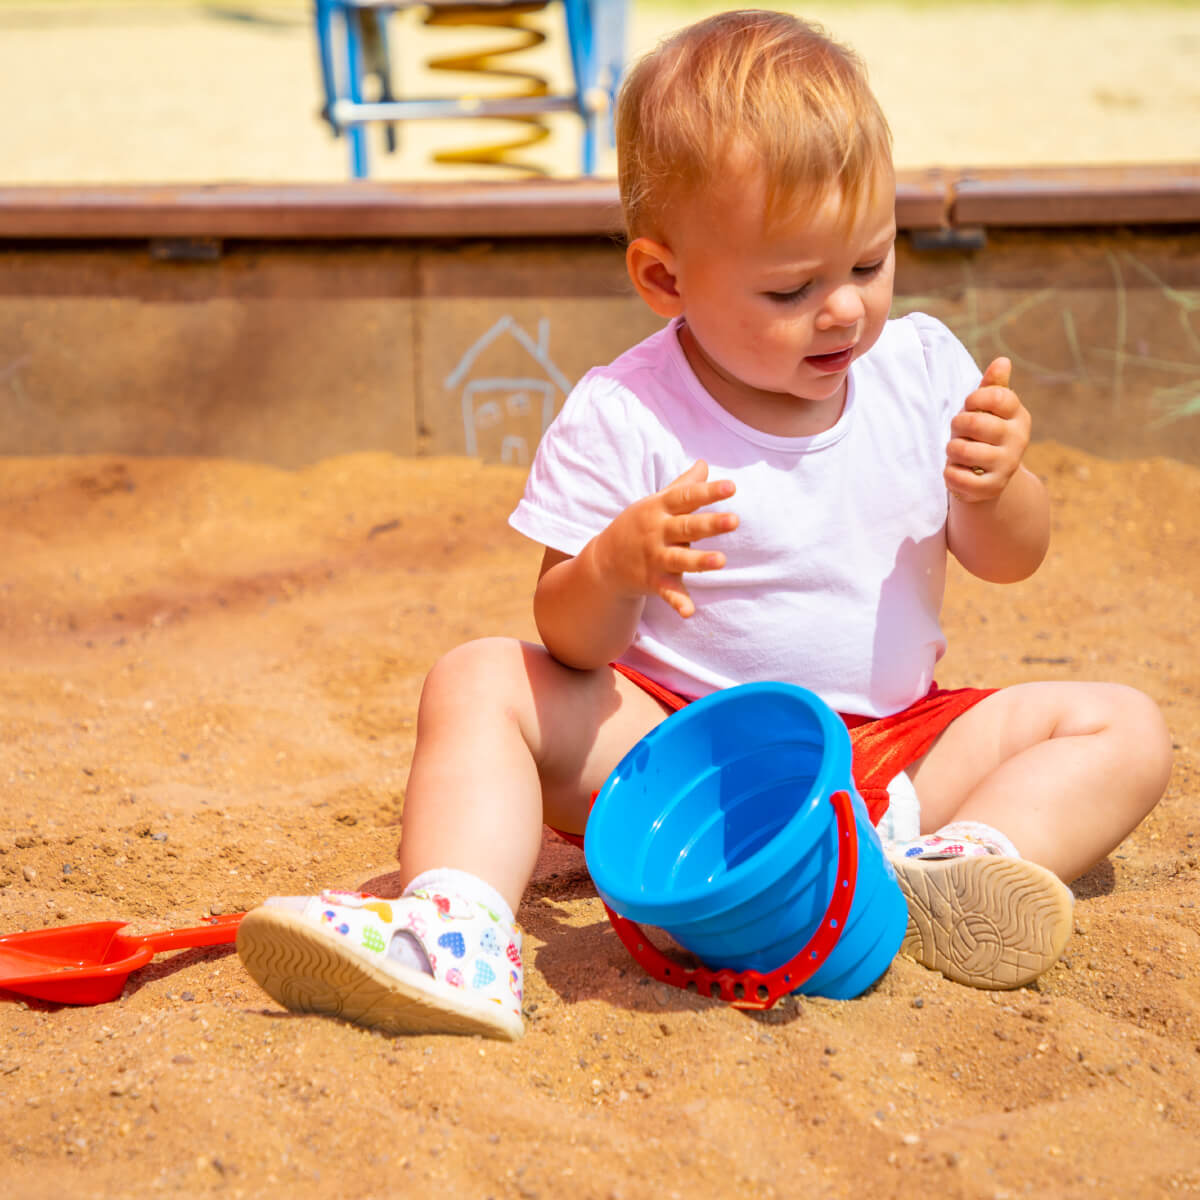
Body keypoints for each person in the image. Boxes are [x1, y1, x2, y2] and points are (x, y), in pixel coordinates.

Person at [236, 9, 1172, 1041]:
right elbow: (570, 639)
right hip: (684, 760)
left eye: (868, 264)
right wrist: (617, 564)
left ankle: (953, 865)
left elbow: (1010, 562)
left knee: (1122, 726)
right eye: (791, 287)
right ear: (665, 278)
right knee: (478, 678)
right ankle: (455, 926)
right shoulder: (627, 412)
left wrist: (999, 491)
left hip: (894, 761)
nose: (845, 313)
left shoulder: (920, 372)